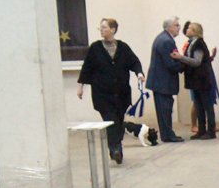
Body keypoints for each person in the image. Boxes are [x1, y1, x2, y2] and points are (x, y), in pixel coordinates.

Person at [76, 18, 145, 164]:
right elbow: (86, 67)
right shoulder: (95, 48)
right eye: (100, 28)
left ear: (113, 30)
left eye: (104, 27)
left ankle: (116, 147)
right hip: (103, 94)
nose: (101, 30)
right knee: (111, 121)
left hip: (121, 94)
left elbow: (134, 61)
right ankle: (115, 149)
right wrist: (80, 86)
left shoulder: (123, 47)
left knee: (119, 122)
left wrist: (139, 73)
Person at [172, 22, 216, 139]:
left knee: (207, 106)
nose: (187, 29)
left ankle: (211, 131)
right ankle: (201, 130)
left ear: (196, 31)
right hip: (195, 80)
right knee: (198, 106)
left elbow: (197, 61)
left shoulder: (199, 44)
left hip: (202, 79)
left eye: (190, 28)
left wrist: (180, 57)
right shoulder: (191, 43)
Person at [146, 16, 185, 143]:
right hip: (163, 82)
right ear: (169, 27)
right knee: (165, 110)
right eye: (177, 25)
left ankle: (167, 134)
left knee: (164, 110)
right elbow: (170, 63)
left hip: (160, 81)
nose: (179, 27)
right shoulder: (166, 41)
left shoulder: (163, 38)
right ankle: (168, 135)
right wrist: (184, 64)